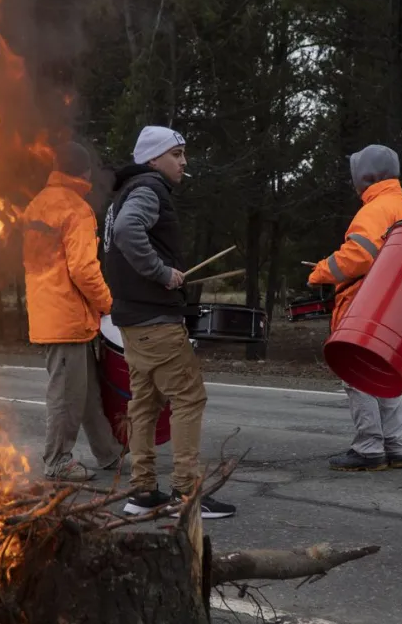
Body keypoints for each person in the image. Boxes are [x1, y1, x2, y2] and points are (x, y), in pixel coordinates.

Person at [102, 125, 236, 519]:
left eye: (183, 154)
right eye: (176, 154)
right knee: (189, 397)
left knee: (144, 403)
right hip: (154, 317)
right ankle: (185, 492)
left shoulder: (123, 194)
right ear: (154, 158)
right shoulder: (148, 188)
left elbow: (119, 237)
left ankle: (142, 491)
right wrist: (162, 273)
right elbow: (129, 232)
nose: (183, 162)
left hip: (131, 317)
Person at [308, 144, 402, 472]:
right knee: (383, 372)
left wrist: (319, 272)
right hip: (396, 306)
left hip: (365, 305)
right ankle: (396, 445)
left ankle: (369, 446)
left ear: (365, 177)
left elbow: (359, 255)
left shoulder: (373, 210)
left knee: (357, 374)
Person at [21, 141, 125, 482]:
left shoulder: (38, 205)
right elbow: (83, 269)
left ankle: (108, 453)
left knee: (86, 390)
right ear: (85, 172)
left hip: (50, 312)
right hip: (67, 316)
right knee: (67, 393)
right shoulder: (76, 209)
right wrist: (108, 305)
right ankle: (56, 460)